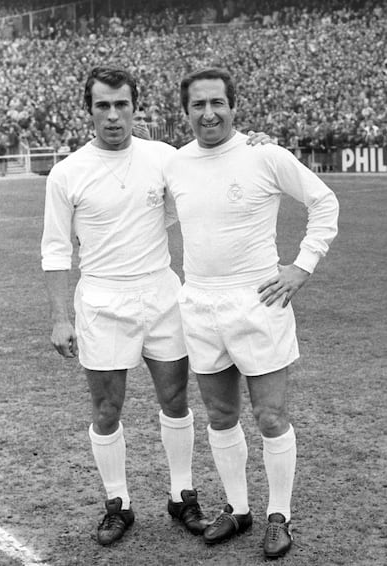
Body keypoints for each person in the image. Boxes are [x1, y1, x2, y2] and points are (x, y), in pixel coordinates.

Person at [41, 66, 270, 547]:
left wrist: (254, 143)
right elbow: (56, 250)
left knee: (175, 401)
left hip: (163, 295)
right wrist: (62, 317)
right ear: (90, 111)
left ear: (135, 107)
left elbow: (212, 166)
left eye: (121, 104)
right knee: (107, 409)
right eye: (102, 105)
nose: (113, 115)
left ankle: (181, 494)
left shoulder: (163, 158)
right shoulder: (67, 173)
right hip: (102, 299)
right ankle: (117, 503)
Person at [164, 68, 339, 559]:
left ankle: (278, 517)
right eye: (198, 104)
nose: (208, 113)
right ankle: (238, 509)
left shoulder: (265, 154)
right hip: (199, 303)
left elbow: (324, 203)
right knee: (221, 415)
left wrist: (301, 268)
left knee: (270, 415)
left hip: (258, 301)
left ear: (235, 106)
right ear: (186, 111)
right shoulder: (175, 163)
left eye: (217, 102)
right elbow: (153, 215)